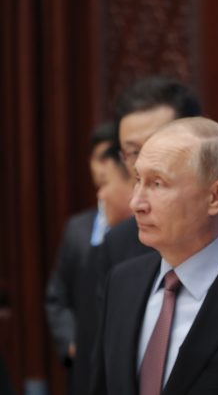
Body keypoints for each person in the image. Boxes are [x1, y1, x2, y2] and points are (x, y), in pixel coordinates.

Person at [90, 117, 218, 394]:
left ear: (216, 196)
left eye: (157, 184)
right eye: (138, 180)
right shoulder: (123, 281)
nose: (137, 203)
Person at [45, 122, 115, 392]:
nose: (103, 167)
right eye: (99, 158)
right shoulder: (77, 227)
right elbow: (57, 294)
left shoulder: (141, 228)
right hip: (83, 360)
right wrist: (72, 341)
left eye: (111, 158)